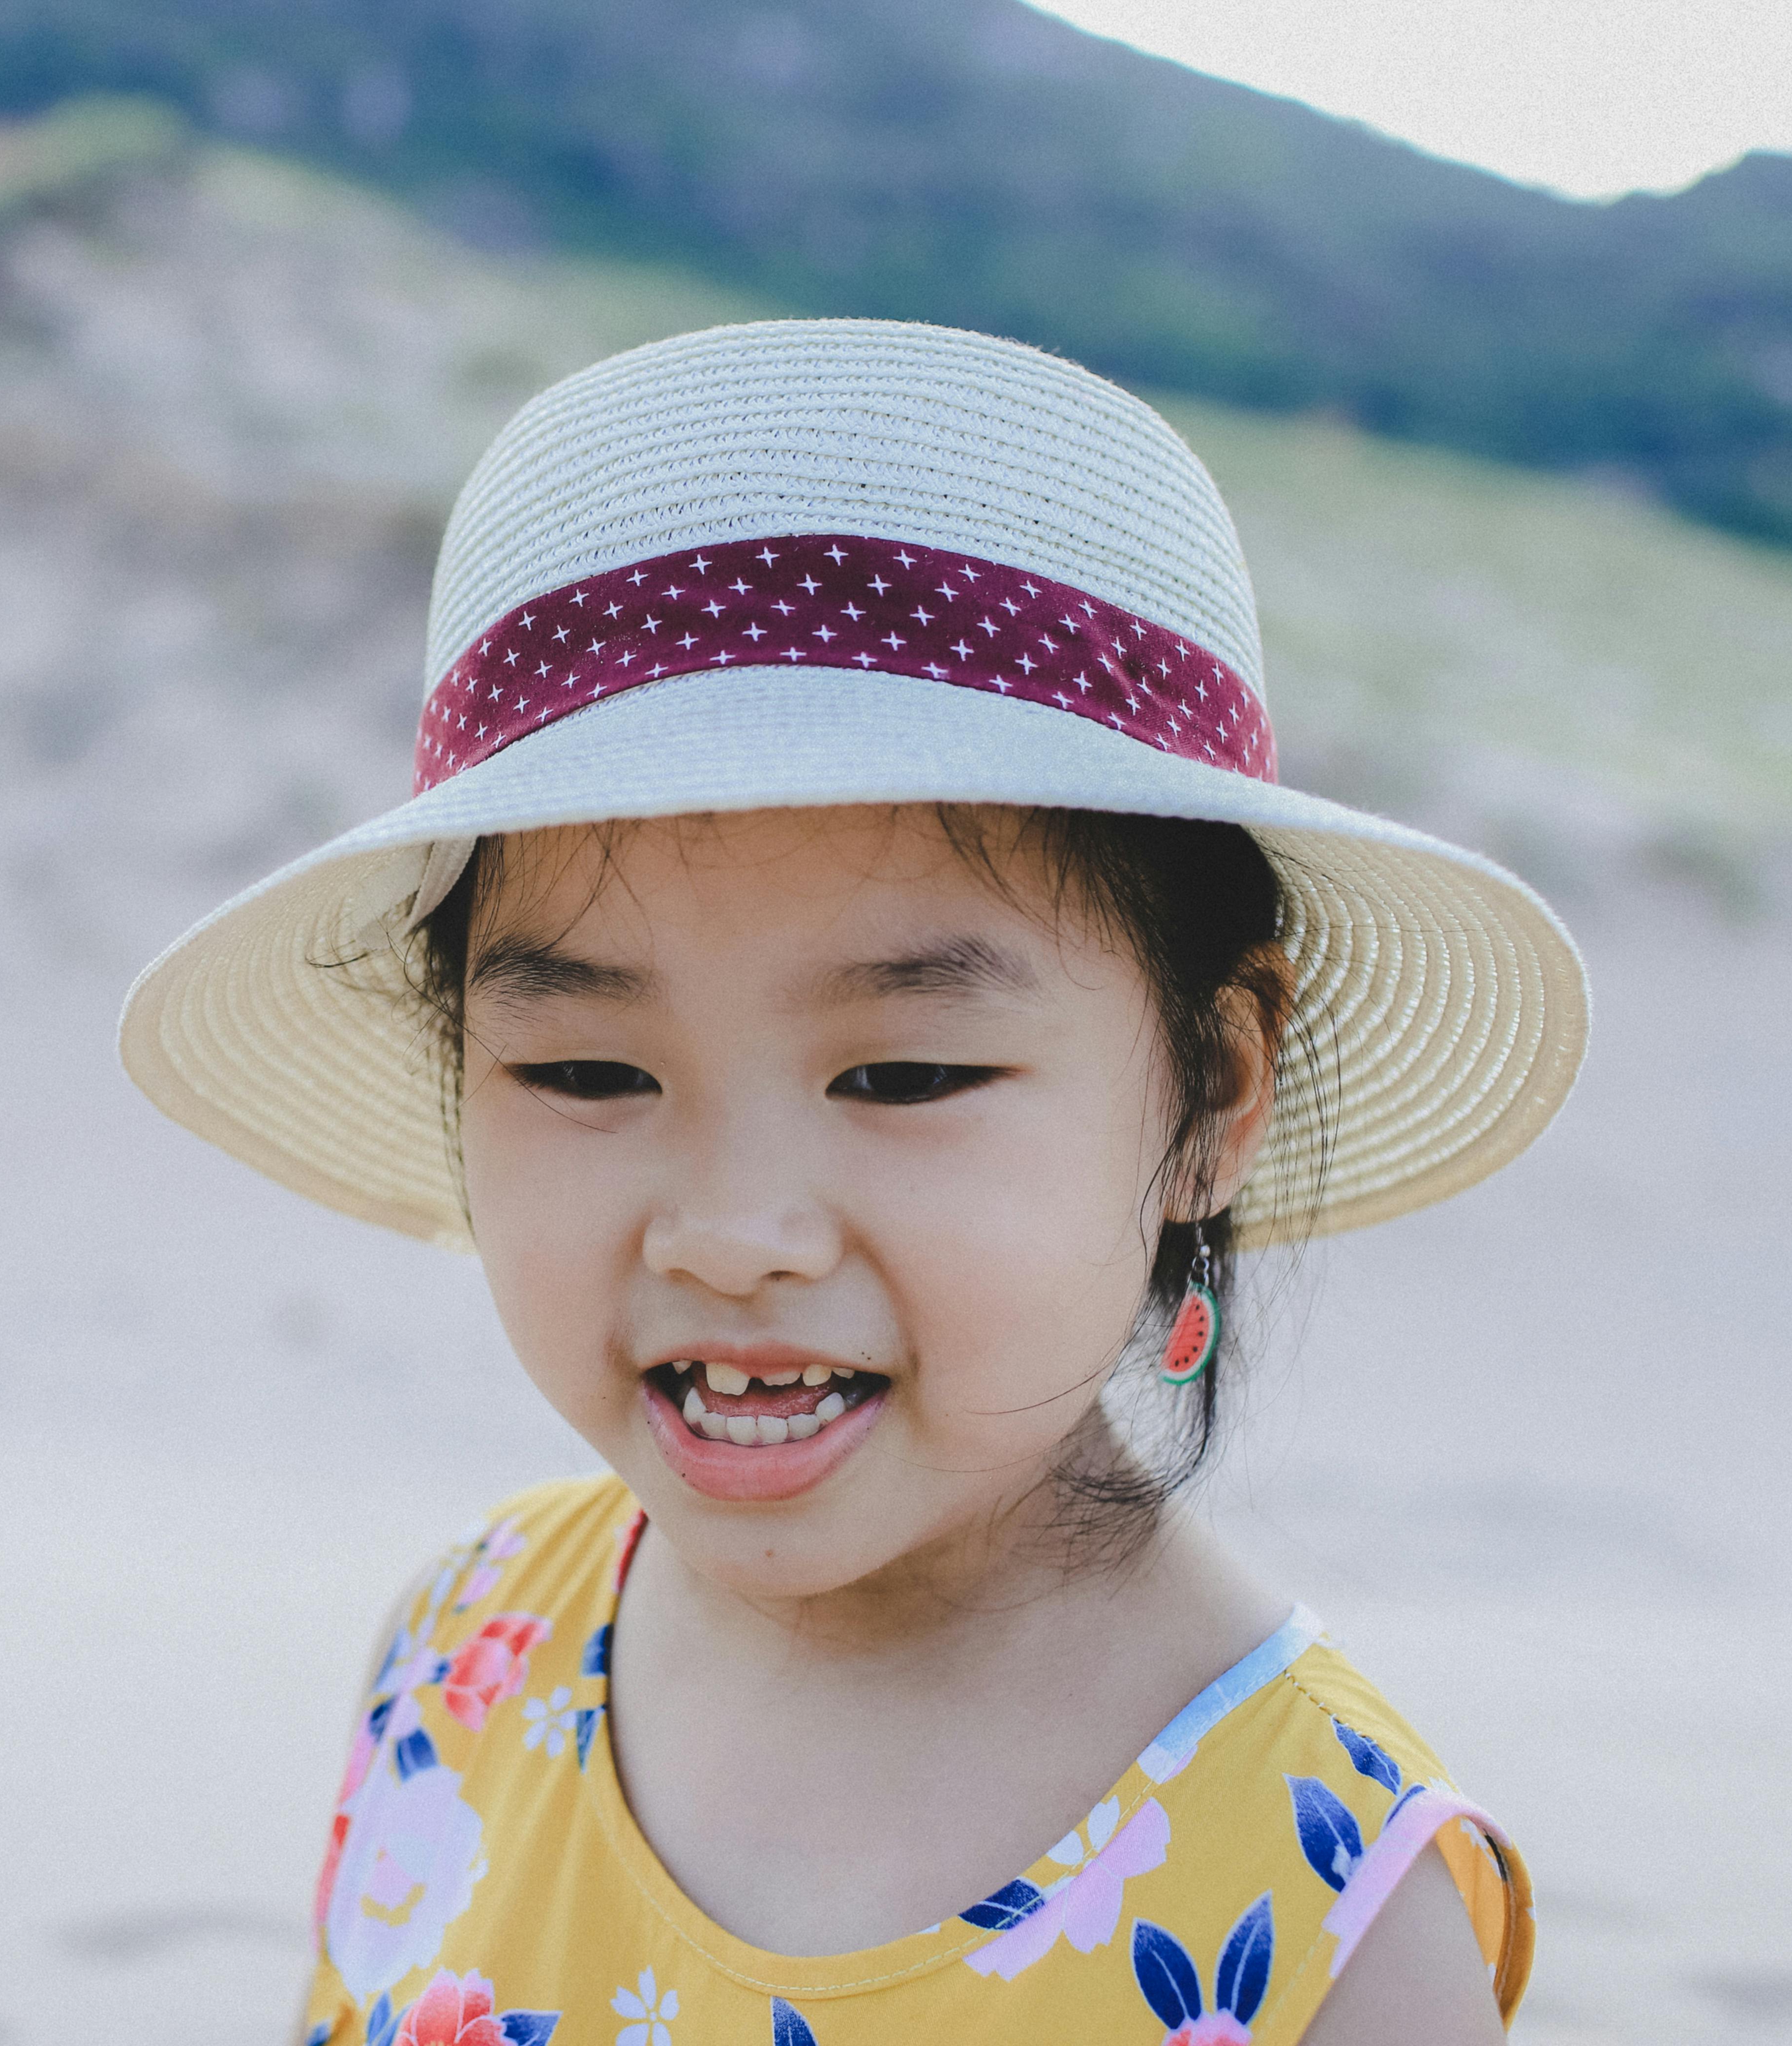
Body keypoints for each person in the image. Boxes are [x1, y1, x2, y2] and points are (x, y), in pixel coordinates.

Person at [120, 320, 1587, 2044]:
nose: (735, 1236)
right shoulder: (462, 1649)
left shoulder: (1322, 1917)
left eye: (903, 1075)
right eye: (588, 1072)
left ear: (1211, 1091)